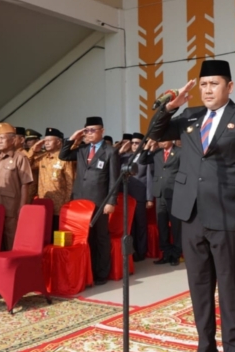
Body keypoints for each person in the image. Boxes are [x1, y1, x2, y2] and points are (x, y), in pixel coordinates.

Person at [149, 59, 235, 352]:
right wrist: (169, 107)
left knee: (230, 286)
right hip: (191, 215)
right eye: (203, 84)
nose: (208, 90)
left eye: (214, 84)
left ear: (230, 86)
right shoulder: (190, 116)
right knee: (199, 285)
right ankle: (206, 349)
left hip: (229, 215)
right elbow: (155, 131)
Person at [59, 116, 119, 286]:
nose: (89, 133)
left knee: (100, 237)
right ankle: (88, 271)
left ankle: (101, 273)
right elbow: (63, 155)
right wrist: (73, 138)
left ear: (102, 131)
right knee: (84, 237)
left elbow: (114, 179)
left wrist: (111, 201)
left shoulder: (110, 151)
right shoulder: (82, 149)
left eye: (93, 130)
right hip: (80, 200)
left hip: (99, 202)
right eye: (87, 130)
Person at [140, 139, 182, 266]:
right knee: (162, 225)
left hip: (174, 193)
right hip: (159, 194)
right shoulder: (157, 153)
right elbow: (142, 160)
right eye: (160, 141)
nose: (161, 143)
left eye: (164, 140)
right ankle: (166, 253)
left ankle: (176, 254)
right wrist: (147, 147)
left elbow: (185, 170)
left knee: (176, 226)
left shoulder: (179, 152)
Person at [27, 128, 76, 230]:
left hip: (59, 205)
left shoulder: (64, 159)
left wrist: (67, 203)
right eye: (45, 140)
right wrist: (33, 150)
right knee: (42, 232)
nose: (46, 143)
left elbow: (70, 183)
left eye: (49, 140)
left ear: (58, 142)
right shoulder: (42, 158)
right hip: (43, 202)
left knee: (55, 232)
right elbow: (27, 166)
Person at [120, 132, 151, 261]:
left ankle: (141, 252)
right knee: (129, 226)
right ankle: (131, 252)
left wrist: (149, 198)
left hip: (140, 197)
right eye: (132, 143)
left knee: (140, 225)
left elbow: (149, 178)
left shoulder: (146, 158)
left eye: (137, 143)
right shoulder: (124, 157)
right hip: (126, 197)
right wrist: (121, 151)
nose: (134, 145)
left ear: (143, 145)